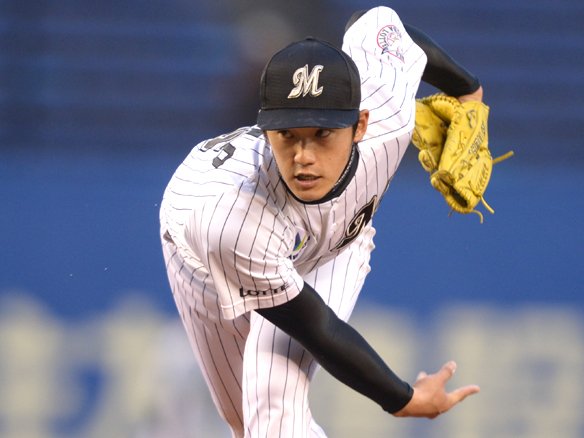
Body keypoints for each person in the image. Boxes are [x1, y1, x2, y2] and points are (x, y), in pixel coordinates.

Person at [159, 6, 481, 437]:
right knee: (249, 424)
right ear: (266, 129)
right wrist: (403, 398)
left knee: (273, 408)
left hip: (338, 242)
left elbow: (375, 24)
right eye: (287, 134)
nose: (303, 156)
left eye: (323, 133)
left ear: (360, 124)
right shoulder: (232, 223)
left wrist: (468, 90)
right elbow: (317, 327)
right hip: (202, 258)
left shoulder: (389, 115)